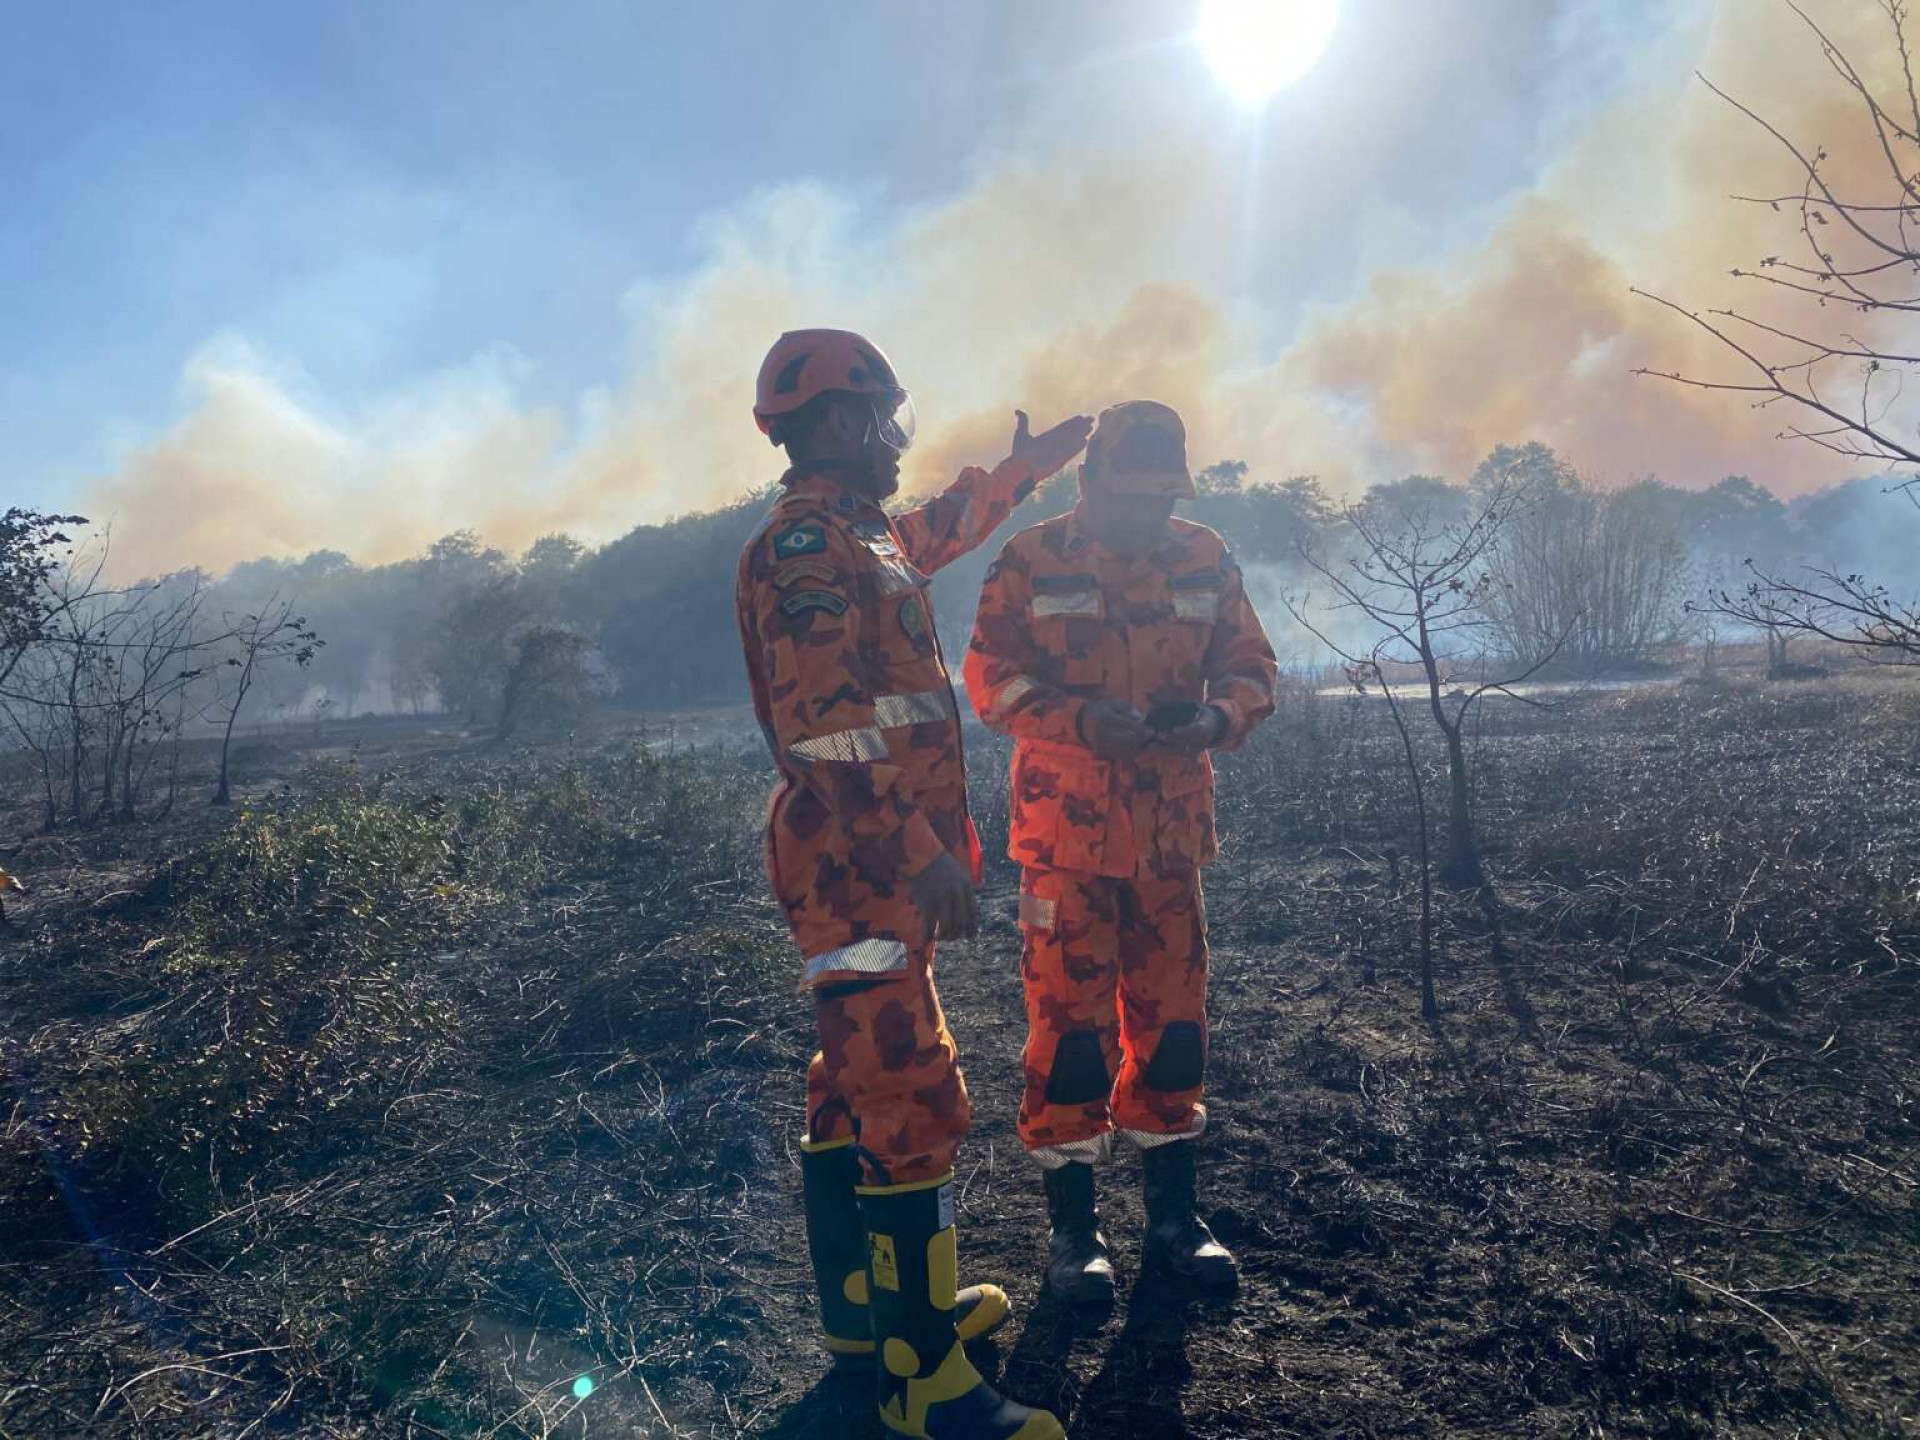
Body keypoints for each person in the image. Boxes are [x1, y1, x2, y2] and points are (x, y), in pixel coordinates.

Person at [735, 327, 1089, 1439]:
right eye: (884, 416)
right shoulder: (805, 548)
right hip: (858, 862)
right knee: (908, 1084)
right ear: (837, 421)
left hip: (871, 863)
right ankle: (927, 1382)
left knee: (852, 1075)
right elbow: (827, 728)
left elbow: (942, 527)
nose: (896, 438)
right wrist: (921, 850)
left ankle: (869, 1317)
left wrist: (1029, 470)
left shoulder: (860, 533)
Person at [962, 399, 1277, 1317]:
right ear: (1088, 483)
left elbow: (1251, 667)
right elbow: (990, 677)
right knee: (1068, 1037)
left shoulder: (1204, 556)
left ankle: (1175, 1223)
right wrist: (1075, 721)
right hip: (1064, 845)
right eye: (1127, 496)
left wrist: (1217, 720)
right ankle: (1075, 1238)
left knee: (1174, 1026)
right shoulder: (1029, 560)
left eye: (1158, 497)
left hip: (1171, 844)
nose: (1144, 515)